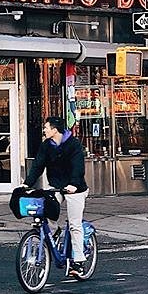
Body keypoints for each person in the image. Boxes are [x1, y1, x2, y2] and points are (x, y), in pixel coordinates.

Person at [22, 116, 89, 277]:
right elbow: (38, 165)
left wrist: (73, 184)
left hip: (76, 188)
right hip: (57, 187)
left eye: (46, 127)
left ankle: (79, 262)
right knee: (45, 212)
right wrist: (27, 184)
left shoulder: (73, 144)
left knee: (74, 224)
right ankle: (55, 230)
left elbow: (78, 167)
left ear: (54, 130)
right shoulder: (46, 146)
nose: (43, 130)